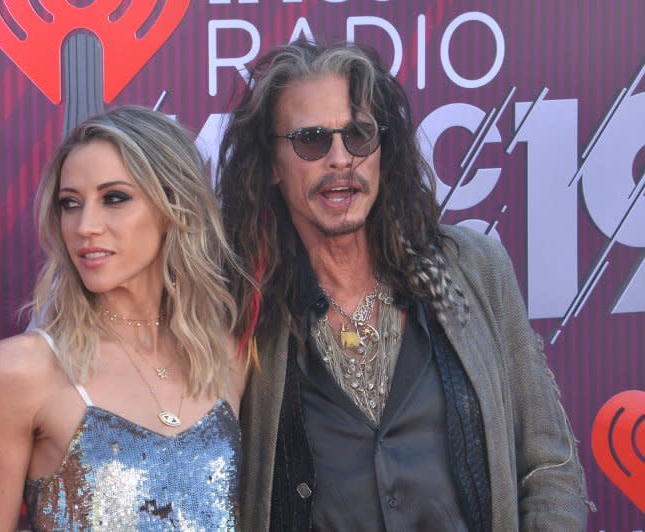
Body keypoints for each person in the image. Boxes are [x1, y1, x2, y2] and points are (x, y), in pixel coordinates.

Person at [217, 41, 592, 531]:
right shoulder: (243, 309)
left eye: (359, 135)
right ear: (270, 165)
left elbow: (549, 467)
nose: (340, 159)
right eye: (311, 140)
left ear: (382, 151)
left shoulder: (476, 269)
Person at [0, 106, 248, 531]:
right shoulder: (21, 369)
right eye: (70, 204)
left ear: (174, 206)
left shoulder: (224, 353)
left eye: (114, 198)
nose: (85, 226)